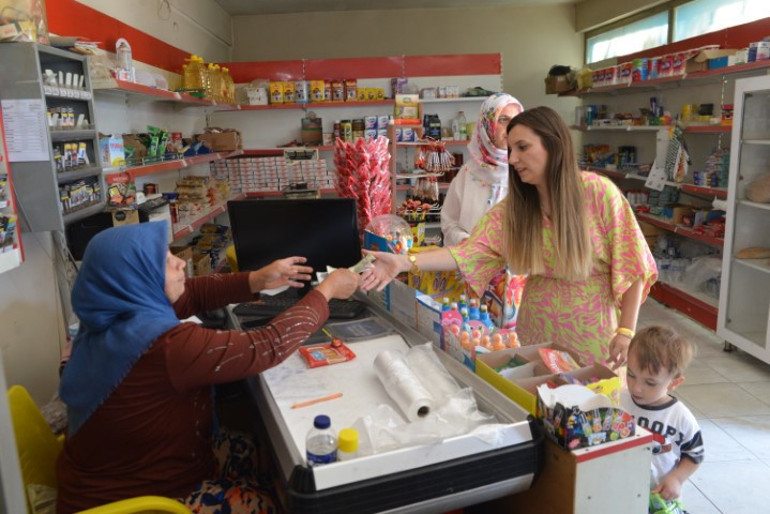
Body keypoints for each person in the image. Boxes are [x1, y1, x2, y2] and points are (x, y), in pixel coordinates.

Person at [56, 221, 360, 513]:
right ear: (135, 278)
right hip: (141, 503)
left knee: (263, 455)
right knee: (273, 497)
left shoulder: (112, 314)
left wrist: (257, 280)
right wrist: (326, 291)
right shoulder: (163, 346)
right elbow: (268, 345)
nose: (180, 264)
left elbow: (192, 294)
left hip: (119, 474)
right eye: (165, 261)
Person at [361, 106, 657, 368]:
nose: (513, 158)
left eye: (523, 147)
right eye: (511, 149)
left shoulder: (598, 194)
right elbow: (468, 252)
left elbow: (632, 266)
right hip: (536, 329)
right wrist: (403, 262)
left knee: (590, 416)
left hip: (593, 332)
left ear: (553, 145)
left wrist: (626, 332)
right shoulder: (516, 209)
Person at [621, 326, 703, 506]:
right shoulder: (620, 401)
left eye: (650, 382)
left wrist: (677, 478)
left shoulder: (680, 418)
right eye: (630, 375)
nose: (636, 387)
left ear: (674, 382)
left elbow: (695, 454)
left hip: (659, 497)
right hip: (623, 489)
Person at [440, 92, 524, 247]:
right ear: (487, 124)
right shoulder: (468, 173)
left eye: (517, 121)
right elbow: (449, 222)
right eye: (503, 119)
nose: (511, 127)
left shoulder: (526, 171)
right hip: (472, 263)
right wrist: (468, 243)